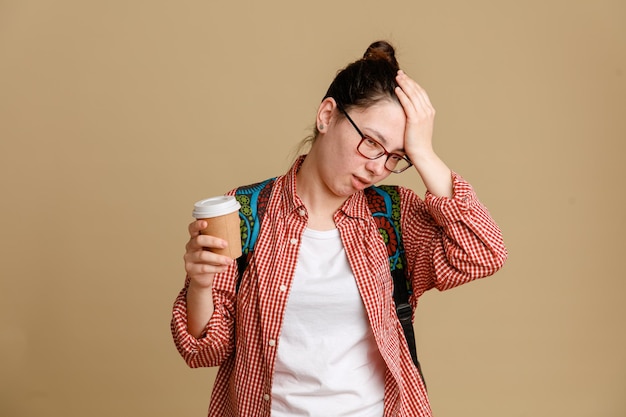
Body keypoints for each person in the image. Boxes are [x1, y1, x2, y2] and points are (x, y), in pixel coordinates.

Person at [171, 40, 507, 417]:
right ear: (327, 115)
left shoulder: (392, 215)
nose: (378, 168)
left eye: (397, 157)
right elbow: (203, 350)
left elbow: (483, 253)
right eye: (371, 143)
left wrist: (425, 154)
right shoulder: (248, 211)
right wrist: (200, 284)